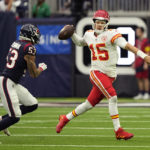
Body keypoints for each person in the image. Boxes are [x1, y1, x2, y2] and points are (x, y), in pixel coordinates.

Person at [56, 10, 150, 140]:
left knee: (88, 104)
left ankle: (65, 118)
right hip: (97, 72)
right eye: (97, 22)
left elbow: (127, 46)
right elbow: (80, 42)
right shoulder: (88, 34)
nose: (99, 25)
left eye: (102, 22)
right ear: (94, 22)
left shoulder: (112, 34)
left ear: (106, 23)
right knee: (113, 97)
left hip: (109, 75)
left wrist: (144, 55)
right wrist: (72, 34)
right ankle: (118, 130)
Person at [0, 24, 47, 136]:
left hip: (11, 82)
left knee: (32, 104)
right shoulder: (29, 48)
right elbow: (34, 74)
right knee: (15, 117)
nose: (37, 37)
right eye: (35, 34)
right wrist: (41, 68)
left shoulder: (16, 43)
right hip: (7, 82)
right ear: (29, 35)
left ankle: (2, 121)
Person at [133, 27, 150, 100]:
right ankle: (141, 93)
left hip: (144, 61)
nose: (137, 33)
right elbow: (135, 52)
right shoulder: (136, 41)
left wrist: (146, 63)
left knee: (145, 78)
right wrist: (134, 62)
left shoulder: (146, 41)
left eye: (138, 32)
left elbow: (148, 52)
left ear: (142, 32)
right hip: (138, 62)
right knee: (138, 78)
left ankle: (146, 93)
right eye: (136, 32)